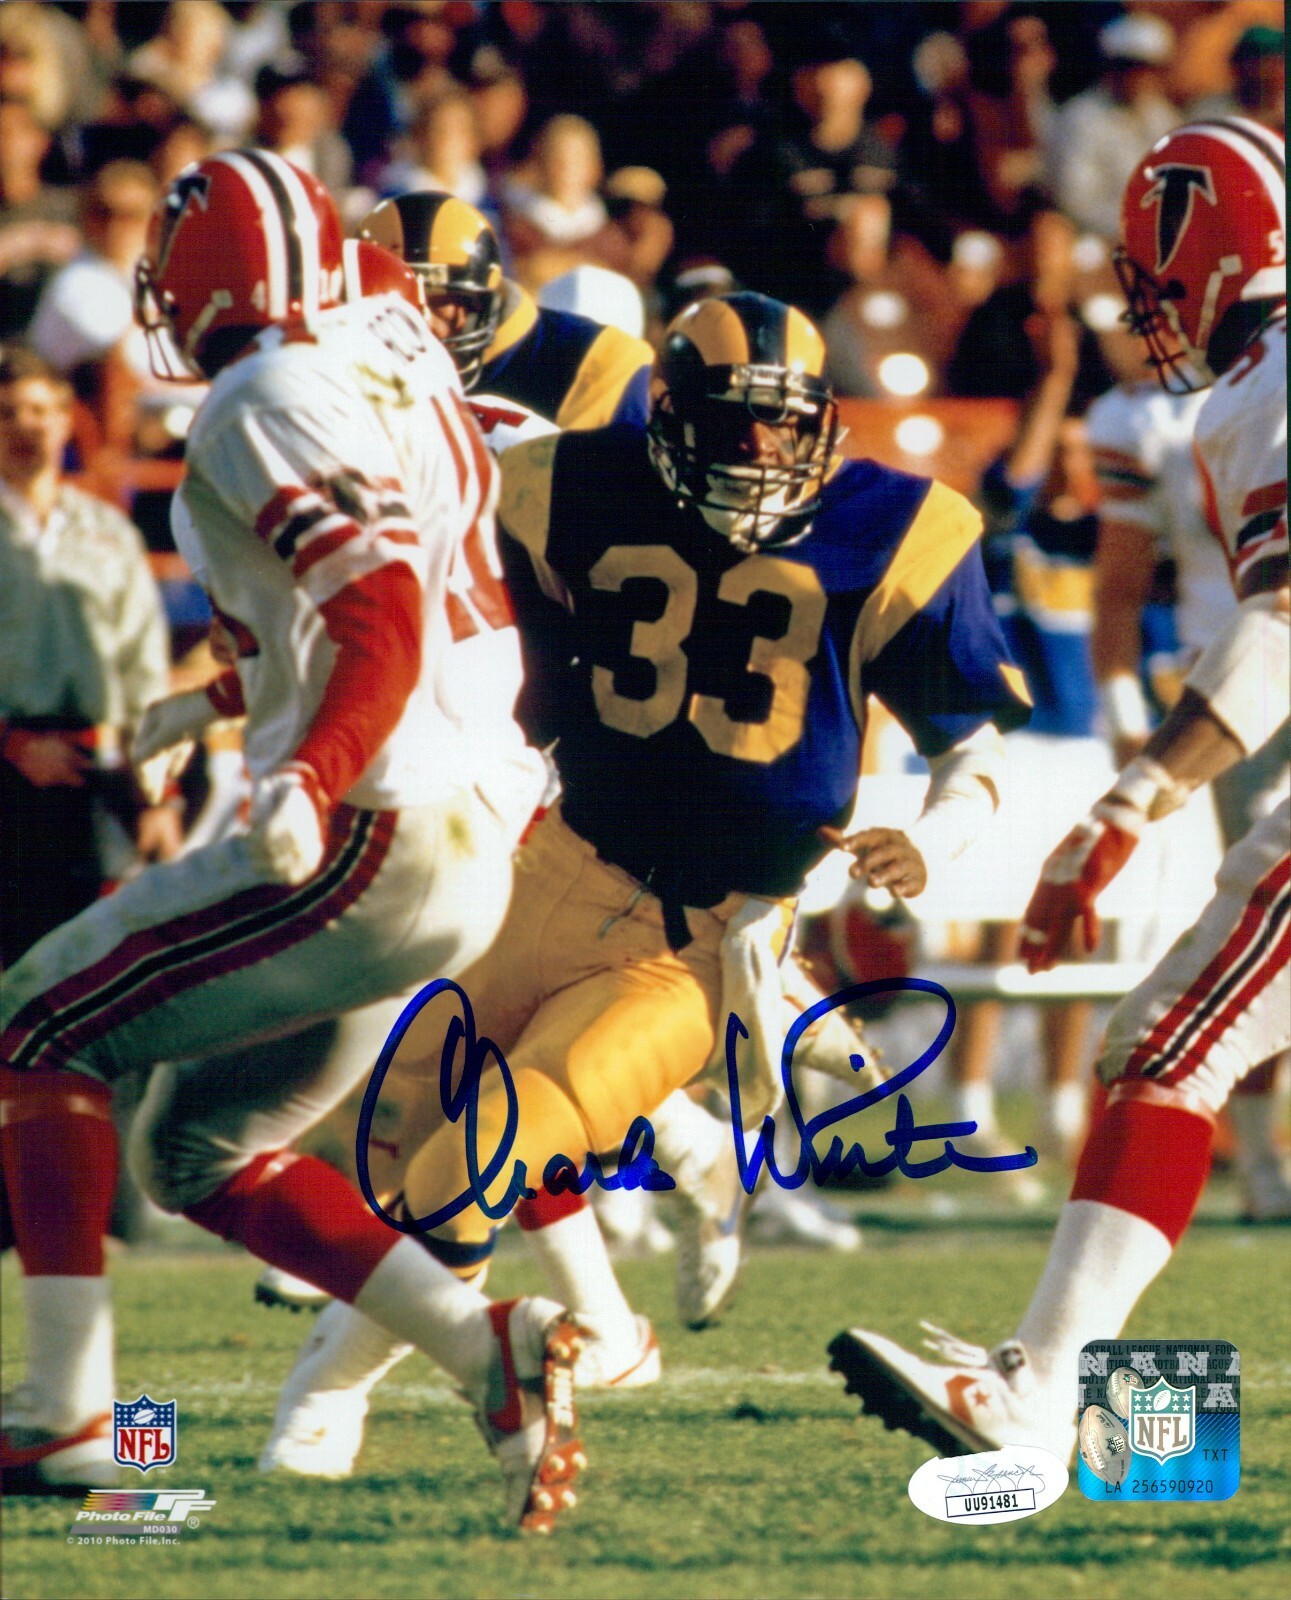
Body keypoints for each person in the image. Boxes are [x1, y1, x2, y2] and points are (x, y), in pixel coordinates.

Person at [0, 150, 585, 1534]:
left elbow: (375, 611)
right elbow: (390, 597)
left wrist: (307, 774)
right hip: (467, 820)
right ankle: (485, 1349)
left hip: (373, 823)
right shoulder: (389, 341)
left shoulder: (264, 394)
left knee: (36, 1027)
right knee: (196, 1152)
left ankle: (68, 1415)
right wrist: (213, 702)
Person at [381, 287, 1031, 1345]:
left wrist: (928, 838)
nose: (763, 447)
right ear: (670, 417)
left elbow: (972, 747)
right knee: (396, 1126)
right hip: (562, 861)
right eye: (735, 422)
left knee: (495, 1137)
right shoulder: (564, 484)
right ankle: (689, 1162)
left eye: (786, 420)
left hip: (713, 925)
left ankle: (363, 1399)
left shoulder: (896, 526)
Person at [829, 118, 1287, 1461]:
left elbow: (1282, 618)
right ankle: (1125, 1428)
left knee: (1169, 1048)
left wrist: (1125, 803)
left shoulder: (1260, 381)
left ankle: (1038, 1397)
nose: (1146, 305)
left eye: (1152, 270)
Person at [0, 348, 179, 968]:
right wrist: (13, 744)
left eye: (40, 411)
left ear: (65, 420)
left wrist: (157, 794)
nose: (25, 427)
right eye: (7, 413)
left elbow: (143, 670)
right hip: (10, 769)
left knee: (93, 967)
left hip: (93, 777)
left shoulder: (108, 532)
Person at [358, 189, 653, 425]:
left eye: (437, 301)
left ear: (479, 302)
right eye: (396, 304)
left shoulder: (591, 360)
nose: (418, 322)